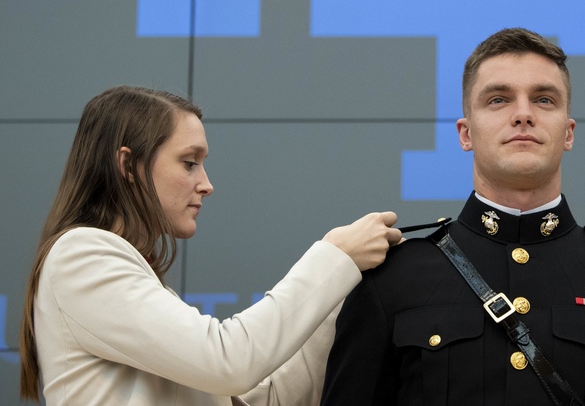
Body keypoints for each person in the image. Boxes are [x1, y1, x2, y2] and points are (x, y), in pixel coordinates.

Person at [321, 28, 585, 405]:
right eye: (499, 100)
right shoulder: (389, 281)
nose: (523, 114)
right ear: (465, 133)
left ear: (568, 133)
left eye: (544, 100)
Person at [19, 85, 402, 405]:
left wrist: (343, 295)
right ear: (128, 166)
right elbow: (229, 362)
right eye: (189, 162)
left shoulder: (118, 271)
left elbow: (256, 400)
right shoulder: (81, 255)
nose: (206, 183)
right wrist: (335, 255)